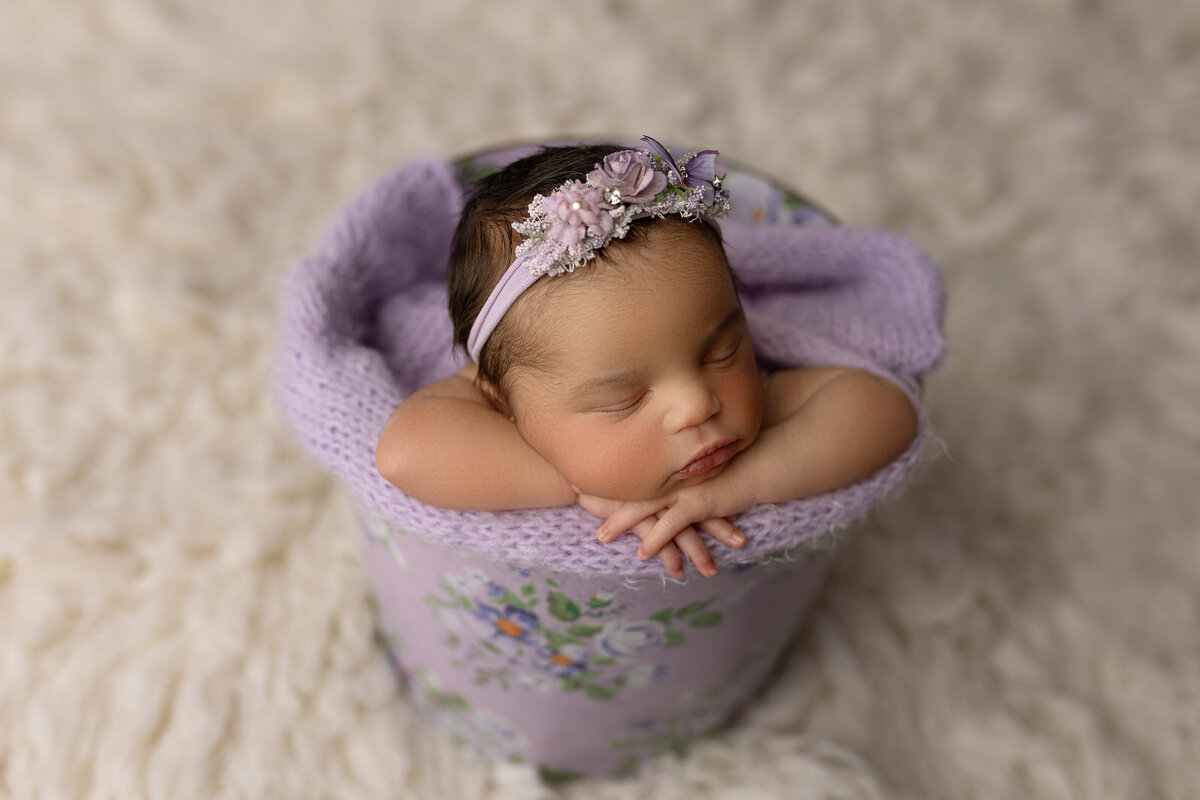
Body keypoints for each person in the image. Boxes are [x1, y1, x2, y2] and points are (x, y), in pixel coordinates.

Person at [375, 138, 918, 579]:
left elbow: (884, 410)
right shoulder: (503, 407)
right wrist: (588, 486)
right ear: (503, 402)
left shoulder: (754, 399)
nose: (698, 404)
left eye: (722, 351)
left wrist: (742, 483)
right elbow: (403, 455)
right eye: (625, 398)